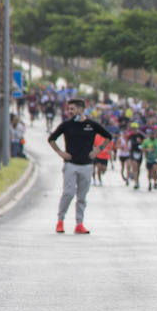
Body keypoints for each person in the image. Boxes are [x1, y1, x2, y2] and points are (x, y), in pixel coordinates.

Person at [48, 98, 111, 234]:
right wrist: (60, 152)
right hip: (70, 164)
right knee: (68, 193)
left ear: (81, 109)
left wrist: (98, 150)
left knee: (82, 197)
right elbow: (51, 139)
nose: (69, 112)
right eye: (69, 109)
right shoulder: (66, 125)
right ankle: (60, 221)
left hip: (87, 165)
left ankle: (79, 223)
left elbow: (108, 137)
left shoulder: (91, 125)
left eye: (72, 109)